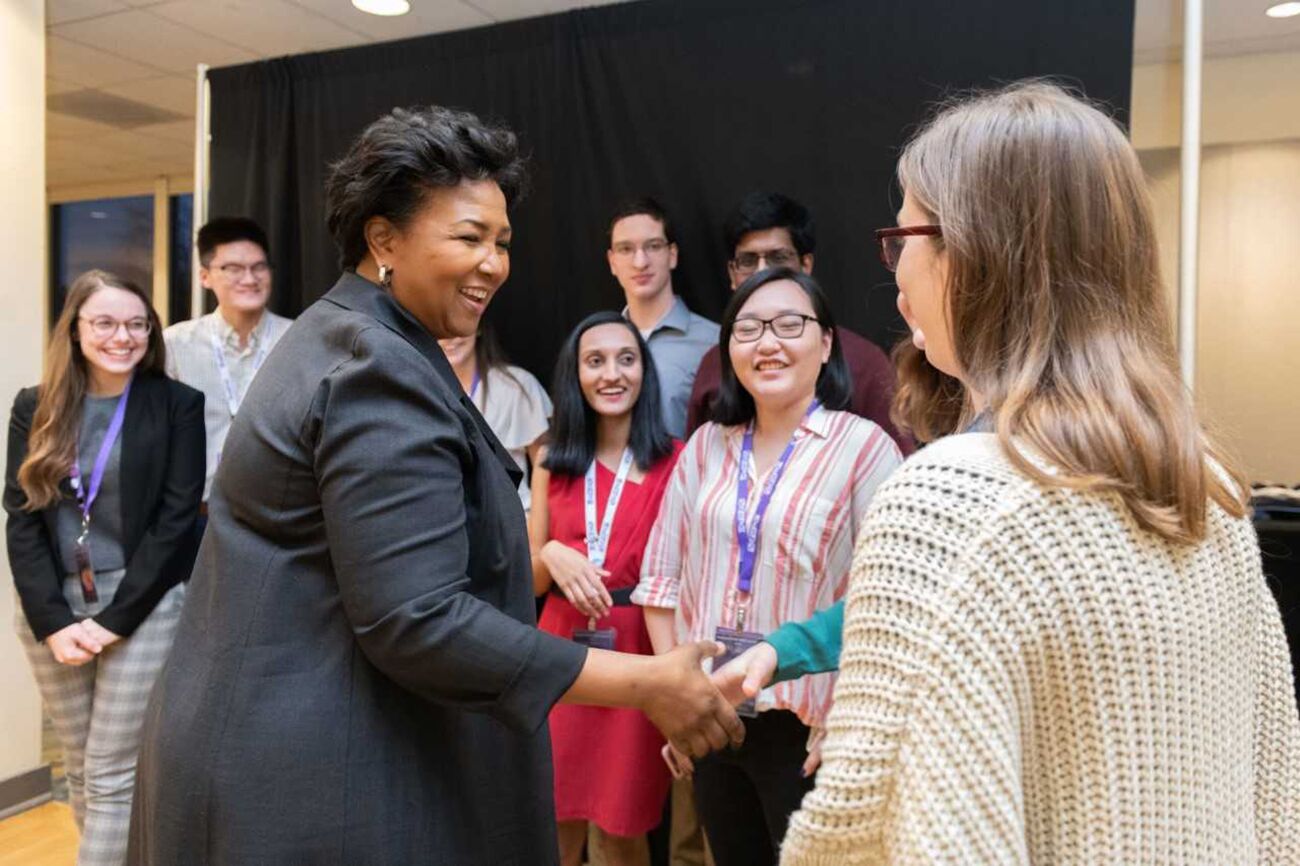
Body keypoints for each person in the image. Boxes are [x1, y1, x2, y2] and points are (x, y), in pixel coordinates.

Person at [127, 105, 742, 866]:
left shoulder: (345, 337)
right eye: (468, 237)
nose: (494, 263)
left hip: (279, 754)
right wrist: (646, 681)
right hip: (309, 785)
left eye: (503, 241)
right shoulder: (376, 371)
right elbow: (416, 619)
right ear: (384, 238)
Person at [758, 82, 1300, 865]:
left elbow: (865, 842)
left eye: (903, 234)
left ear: (970, 253)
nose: (896, 266)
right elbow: (1276, 802)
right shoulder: (1207, 493)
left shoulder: (948, 501)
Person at [633, 268, 902, 866]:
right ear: (729, 349)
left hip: (809, 729)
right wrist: (675, 697)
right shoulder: (705, 446)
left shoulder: (864, 448)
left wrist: (849, 719)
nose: (767, 343)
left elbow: (887, 600)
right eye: (748, 329)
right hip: (712, 714)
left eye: (789, 324)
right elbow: (661, 581)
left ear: (826, 342)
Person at [5, 270, 204, 866]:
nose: (124, 336)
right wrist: (52, 620)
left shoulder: (176, 405)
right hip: (54, 607)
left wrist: (115, 620)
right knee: (81, 767)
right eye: (106, 323)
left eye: (138, 323)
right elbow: (21, 517)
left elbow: (177, 523)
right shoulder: (34, 405)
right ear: (76, 330)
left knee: (113, 770)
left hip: (142, 603)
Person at [530, 312, 682, 866]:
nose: (611, 374)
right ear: (576, 374)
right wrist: (550, 552)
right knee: (552, 819)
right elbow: (530, 578)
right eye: (595, 361)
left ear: (644, 371)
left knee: (623, 825)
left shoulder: (675, 459)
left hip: (638, 654)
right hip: (561, 650)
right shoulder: (551, 459)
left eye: (626, 359)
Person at [685, 192, 910, 453]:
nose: (763, 272)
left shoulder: (865, 363)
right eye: (748, 261)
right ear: (732, 274)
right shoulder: (713, 364)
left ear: (806, 265)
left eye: (777, 258)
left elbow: (899, 472)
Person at [162, 217, 291, 519]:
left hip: (277, 516)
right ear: (205, 276)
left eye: (259, 267)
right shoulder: (175, 345)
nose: (249, 278)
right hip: (196, 514)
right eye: (233, 268)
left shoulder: (299, 339)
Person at [608, 197, 718, 440]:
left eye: (653, 246)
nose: (640, 262)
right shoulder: (597, 344)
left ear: (672, 255)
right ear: (612, 262)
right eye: (626, 249)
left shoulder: (715, 343)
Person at [439, 322, 551, 512]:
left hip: (516, 524)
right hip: (448, 525)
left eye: (457, 327)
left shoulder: (517, 386)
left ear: (480, 325)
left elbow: (549, 473)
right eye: (441, 328)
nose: (450, 338)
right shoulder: (418, 390)